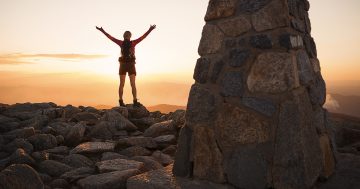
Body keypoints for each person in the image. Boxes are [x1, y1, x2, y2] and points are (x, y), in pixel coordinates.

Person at [96, 25, 156, 107]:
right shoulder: (133, 43)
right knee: (133, 84)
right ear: (130, 36)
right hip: (131, 65)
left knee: (121, 84)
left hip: (122, 65)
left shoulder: (121, 43)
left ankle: (120, 101)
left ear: (123, 36)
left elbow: (110, 37)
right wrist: (150, 29)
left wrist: (102, 30)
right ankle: (135, 101)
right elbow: (143, 37)